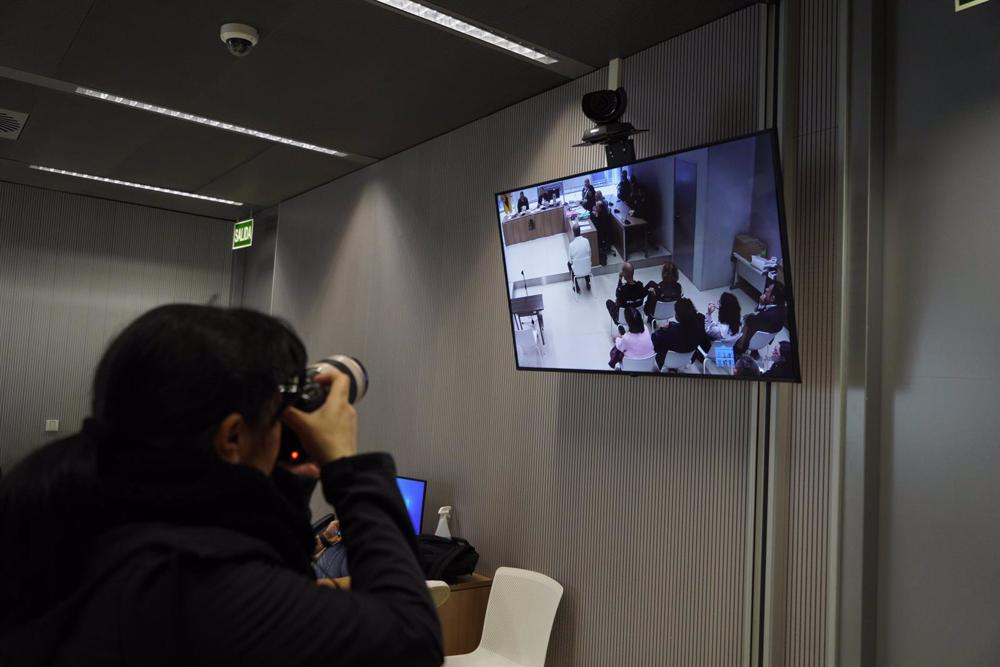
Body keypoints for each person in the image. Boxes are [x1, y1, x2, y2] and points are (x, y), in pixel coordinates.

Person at [0, 305, 443, 667]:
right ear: (232, 438)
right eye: (277, 414)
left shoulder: (81, 515)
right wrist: (348, 465)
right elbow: (411, 637)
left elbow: (263, 561)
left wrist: (283, 481)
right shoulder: (191, 583)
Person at [651, 298, 711, 369]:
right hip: (688, 357)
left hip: (668, 361)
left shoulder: (670, 331)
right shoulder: (700, 320)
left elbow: (653, 338)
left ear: (678, 316)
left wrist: (662, 329)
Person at [736, 280, 788, 354]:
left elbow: (751, 321)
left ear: (772, 298)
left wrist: (760, 305)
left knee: (748, 318)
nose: (766, 290)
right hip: (766, 339)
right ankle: (755, 352)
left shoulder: (766, 315)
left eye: (768, 291)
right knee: (756, 322)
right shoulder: (783, 310)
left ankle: (739, 349)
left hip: (753, 340)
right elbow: (762, 318)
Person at [605, 262, 647, 326]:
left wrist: (620, 279)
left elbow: (617, 295)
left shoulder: (622, 289)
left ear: (624, 274)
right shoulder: (640, 285)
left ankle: (618, 324)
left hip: (625, 318)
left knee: (609, 302)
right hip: (637, 315)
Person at [567, 224, 592, 293]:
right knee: (585, 260)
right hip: (588, 269)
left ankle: (576, 287)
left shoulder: (571, 245)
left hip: (577, 271)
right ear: (580, 231)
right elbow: (590, 254)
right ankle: (588, 283)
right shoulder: (586, 241)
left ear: (573, 233)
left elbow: (570, 261)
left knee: (568, 264)